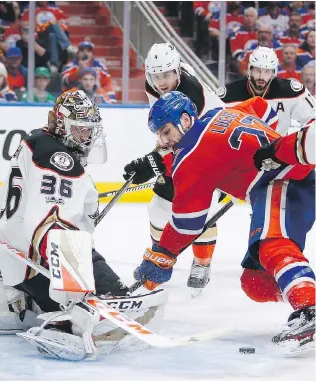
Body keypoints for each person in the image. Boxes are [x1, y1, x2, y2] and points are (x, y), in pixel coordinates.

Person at [0, 89, 166, 360]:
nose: (88, 136)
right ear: (63, 124)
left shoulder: (39, 142)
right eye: (82, 129)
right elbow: (52, 225)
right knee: (98, 279)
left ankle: (46, 305)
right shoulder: (58, 158)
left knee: (76, 253)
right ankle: (73, 317)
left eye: (90, 129)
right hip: (41, 264)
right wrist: (73, 290)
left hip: (21, 261)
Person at [133, 91, 315, 349]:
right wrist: (264, 149)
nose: (163, 141)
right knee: (254, 283)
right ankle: (305, 293)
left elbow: (188, 222)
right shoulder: (220, 113)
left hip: (283, 182)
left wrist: (161, 255)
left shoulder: (191, 157)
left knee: (273, 244)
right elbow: (262, 108)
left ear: (185, 120)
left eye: (165, 131)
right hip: (289, 176)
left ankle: (309, 307)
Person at [124, 42, 225, 296]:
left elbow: (190, 140)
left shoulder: (192, 93)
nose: (161, 82)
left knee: (201, 206)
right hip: (181, 139)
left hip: (211, 141)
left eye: (166, 75)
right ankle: (159, 259)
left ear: (178, 72)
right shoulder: (153, 84)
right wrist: (157, 156)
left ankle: (202, 262)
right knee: (159, 207)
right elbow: (164, 127)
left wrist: (155, 160)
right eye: (155, 76)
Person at [217, 46, 315, 135]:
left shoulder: (292, 92)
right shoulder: (228, 94)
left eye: (267, 71)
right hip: (240, 152)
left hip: (276, 151)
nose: (261, 77)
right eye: (257, 70)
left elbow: (313, 119)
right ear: (249, 70)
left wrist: (300, 143)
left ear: (274, 73)